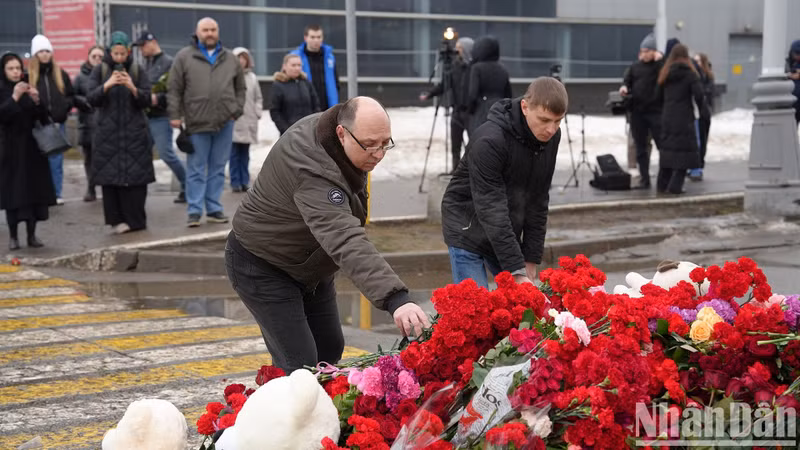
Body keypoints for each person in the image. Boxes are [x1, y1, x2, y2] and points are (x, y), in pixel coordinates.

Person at [226, 97, 430, 373]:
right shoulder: (311, 168)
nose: (379, 154)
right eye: (370, 144)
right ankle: (264, 414)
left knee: (329, 348)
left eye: (385, 143)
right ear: (342, 133)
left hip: (310, 263)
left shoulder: (339, 136)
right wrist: (396, 300)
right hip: (262, 264)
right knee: (300, 366)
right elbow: (344, 237)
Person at [441, 78, 568, 288]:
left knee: (519, 306)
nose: (551, 129)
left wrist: (529, 258)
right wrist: (516, 270)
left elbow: (538, 200)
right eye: (544, 120)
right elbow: (491, 207)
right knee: (475, 309)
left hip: (503, 227)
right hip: (467, 224)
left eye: (558, 121)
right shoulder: (490, 140)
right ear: (525, 107)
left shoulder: (551, 138)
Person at [168, 17, 246, 227]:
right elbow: (174, 89)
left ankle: (213, 208)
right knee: (196, 168)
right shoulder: (184, 57)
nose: (209, 33)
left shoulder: (230, 58)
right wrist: (174, 115)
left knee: (218, 168)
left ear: (217, 32)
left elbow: (241, 88)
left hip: (224, 122)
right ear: (198, 32)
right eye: (205, 30)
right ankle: (194, 210)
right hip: (196, 122)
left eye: (213, 29)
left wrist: (236, 110)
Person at [87, 31, 155, 234]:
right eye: (115, 53)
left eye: (122, 53)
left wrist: (132, 87)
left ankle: (135, 221)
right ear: (110, 52)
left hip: (134, 133)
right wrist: (107, 85)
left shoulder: (137, 70)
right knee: (111, 179)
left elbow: (146, 99)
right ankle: (116, 221)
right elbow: (91, 99)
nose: (119, 57)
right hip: (108, 134)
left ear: (127, 52)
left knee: (135, 179)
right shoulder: (100, 70)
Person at [0, 52, 56, 250]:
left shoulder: (28, 86)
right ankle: (14, 236)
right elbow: (3, 116)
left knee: (34, 192)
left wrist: (37, 100)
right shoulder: (4, 90)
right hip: (11, 149)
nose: (16, 72)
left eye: (18, 68)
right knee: (14, 195)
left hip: (32, 148)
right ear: (4, 71)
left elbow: (44, 117)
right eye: (11, 69)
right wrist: (14, 97)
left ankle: (32, 235)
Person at [136, 31, 187, 204]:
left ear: (152, 43)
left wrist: (159, 99)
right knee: (142, 153)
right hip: (146, 116)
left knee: (166, 154)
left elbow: (175, 90)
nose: (141, 49)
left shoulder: (169, 63)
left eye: (143, 45)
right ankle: (138, 189)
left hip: (161, 116)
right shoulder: (146, 64)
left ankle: (188, 185)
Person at [655, 43, 708, 196]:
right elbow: (699, 96)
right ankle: (675, 186)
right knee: (685, 153)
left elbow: (656, 96)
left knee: (667, 152)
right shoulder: (691, 74)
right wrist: (705, 113)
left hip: (667, 117)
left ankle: (662, 185)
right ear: (686, 57)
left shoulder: (665, 74)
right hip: (684, 118)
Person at [29, 34, 74, 205]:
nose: (45, 54)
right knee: (38, 161)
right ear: (35, 54)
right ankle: (40, 193)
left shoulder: (60, 74)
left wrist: (63, 109)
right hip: (37, 125)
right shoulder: (29, 76)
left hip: (56, 124)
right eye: (41, 51)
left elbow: (70, 95)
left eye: (47, 50)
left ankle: (56, 193)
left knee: (56, 160)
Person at [420, 37, 474, 171]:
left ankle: (473, 169)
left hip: (471, 111)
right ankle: (455, 170)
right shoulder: (454, 66)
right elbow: (444, 85)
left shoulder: (474, 69)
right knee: (455, 143)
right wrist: (430, 93)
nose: (457, 51)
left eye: (460, 48)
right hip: (456, 110)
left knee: (474, 142)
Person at [620, 33, 663, 189]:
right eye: (642, 51)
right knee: (640, 148)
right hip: (638, 112)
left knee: (661, 146)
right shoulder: (635, 67)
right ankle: (644, 179)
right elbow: (627, 80)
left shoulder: (660, 66)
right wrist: (624, 87)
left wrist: (661, 59)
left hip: (656, 112)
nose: (643, 54)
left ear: (654, 52)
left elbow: (667, 73)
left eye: (647, 51)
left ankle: (664, 178)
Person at [73, 45, 105, 202]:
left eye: (100, 56)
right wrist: (85, 102)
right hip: (87, 122)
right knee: (89, 158)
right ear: (88, 57)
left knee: (105, 156)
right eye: (94, 56)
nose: (97, 59)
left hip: (104, 123)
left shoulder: (107, 75)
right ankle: (91, 187)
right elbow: (72, 96)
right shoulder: (80, 77)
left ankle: (107, 187)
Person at [230, 47, 263, 192]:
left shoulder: (252, 78)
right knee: (234, 153)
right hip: (235, 120)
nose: (241, 61)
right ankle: (235, 181)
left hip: (249, 120)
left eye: (244, 58)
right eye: (238, 58)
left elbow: (258, 97)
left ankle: (244, 181)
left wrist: (257, 111)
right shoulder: (229, 77)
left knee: (245, 154)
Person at [467, 36, 512, 134]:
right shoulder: (503, 68)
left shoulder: (477, 68)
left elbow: (472, 94)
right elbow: (508, 94)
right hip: (501, 109)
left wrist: (470, 110)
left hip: (482, 109)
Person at [291, 25, 339, 110]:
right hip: (305, 108)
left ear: (322, 38)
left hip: (327, 107)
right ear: (305, 38)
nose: (316, 40)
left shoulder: (329, 57)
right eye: (312, 37)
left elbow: (336, 82)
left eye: (319, 37)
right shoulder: (295, 57)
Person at [269, 53, 319, 135]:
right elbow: (275, 111)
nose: (297, 68)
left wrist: (314, 125)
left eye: (299, 65)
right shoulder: (278, 85)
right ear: (284, 66)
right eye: (293, 65)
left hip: (309, 132)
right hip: (289, 134)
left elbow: (316, 105)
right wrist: (285, 130)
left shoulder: (306, 83)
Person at [690, 52, 715, 181]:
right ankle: (694, 166)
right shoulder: (692, 76)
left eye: (699, 61)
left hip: (703, 113)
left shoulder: (707, 77)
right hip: (695, 113)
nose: (696, 63)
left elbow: (708, 93)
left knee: (702, 139)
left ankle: (699, 165)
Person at [787, 39, 800, 125]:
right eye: (796, 53)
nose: (798, 56)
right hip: (792, 102)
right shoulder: (788, 63)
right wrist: (790, 75)